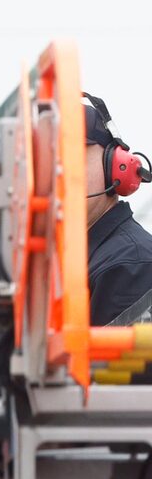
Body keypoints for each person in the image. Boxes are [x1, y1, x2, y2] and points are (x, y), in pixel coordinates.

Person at [85, 94, 152, 326]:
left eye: (73, 158)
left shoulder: (129, 264)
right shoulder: (74, 258)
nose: (60, 174)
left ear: (115, 165)